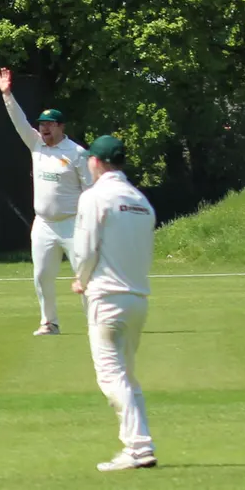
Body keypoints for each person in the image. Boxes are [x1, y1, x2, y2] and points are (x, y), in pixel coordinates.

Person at [70, 135, 158, 471]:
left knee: (111, 376)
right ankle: (140, 446)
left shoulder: (95, 197)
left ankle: (138, 447)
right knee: (128, 377)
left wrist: (82, 277)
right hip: (138, 297)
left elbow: (86, 247)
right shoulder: (140, 199)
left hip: (106, 296)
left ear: (96, 161)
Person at [0, 67, 92, 336]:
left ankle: (95, 323)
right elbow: (18, 121)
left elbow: (91, 189)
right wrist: (7, 95)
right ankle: (49, 322)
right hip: (44, 224)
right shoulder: (36, 144)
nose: (44, 128)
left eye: (50, 124)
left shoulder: (77, 153)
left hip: (73, 224)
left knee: (85, 276)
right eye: (42, 124)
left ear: (61, 127)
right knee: (42, 276)